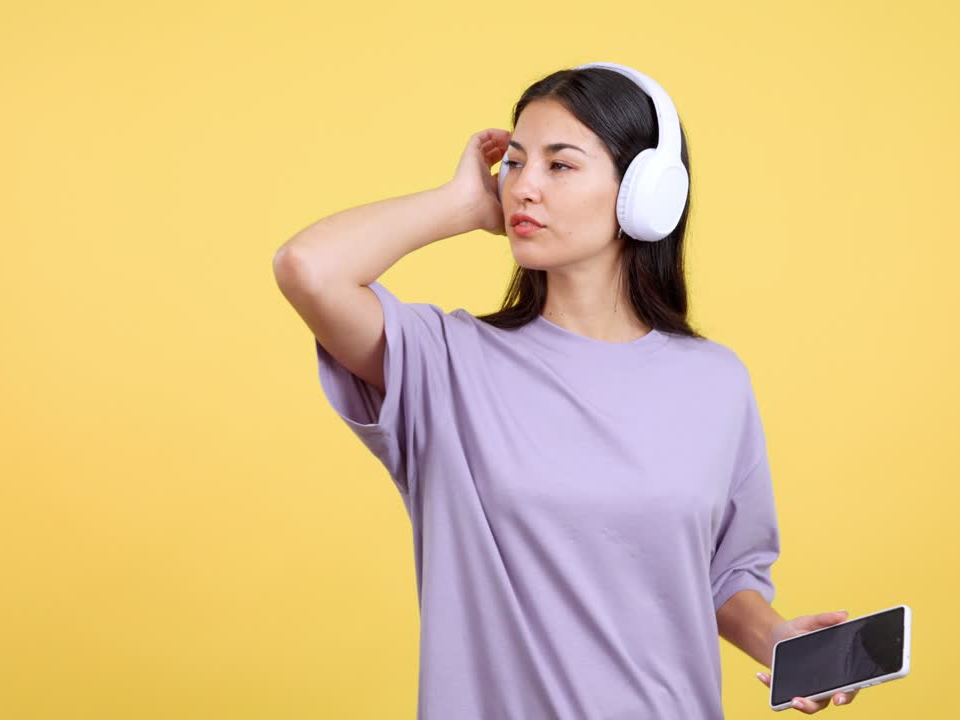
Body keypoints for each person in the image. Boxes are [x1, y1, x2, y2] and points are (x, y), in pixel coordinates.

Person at [273, 65, 857, 718]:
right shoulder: (446, 364)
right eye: (514, 164)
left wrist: (777, 640)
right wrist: (461, 204)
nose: (523, 187)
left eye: (559, 166)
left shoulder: (716, 381)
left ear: (645, 193)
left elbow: (722, 574)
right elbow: (309, 268)